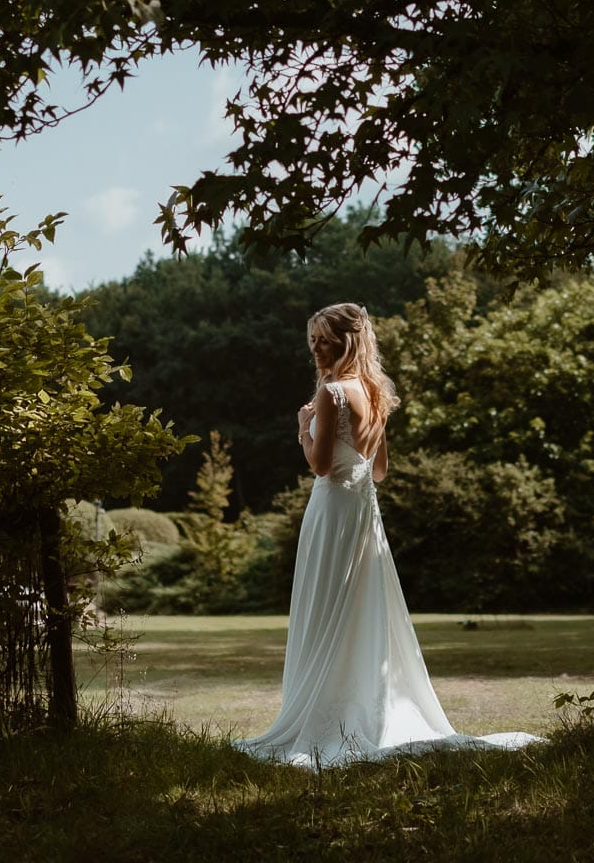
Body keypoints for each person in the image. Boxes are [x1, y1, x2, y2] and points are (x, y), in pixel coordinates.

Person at [231, 302, 545, 768]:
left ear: (346, 341)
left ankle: (323, 715)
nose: (316, 349)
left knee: (326, 605)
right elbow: (378, 470)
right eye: (312, 340)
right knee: (359, 606)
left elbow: (319, 466)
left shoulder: (331, 393)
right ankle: (360, 704)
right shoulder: (376, 393)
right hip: (362, 513)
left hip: (332, 509)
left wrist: (302, 430)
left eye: (324, 339)